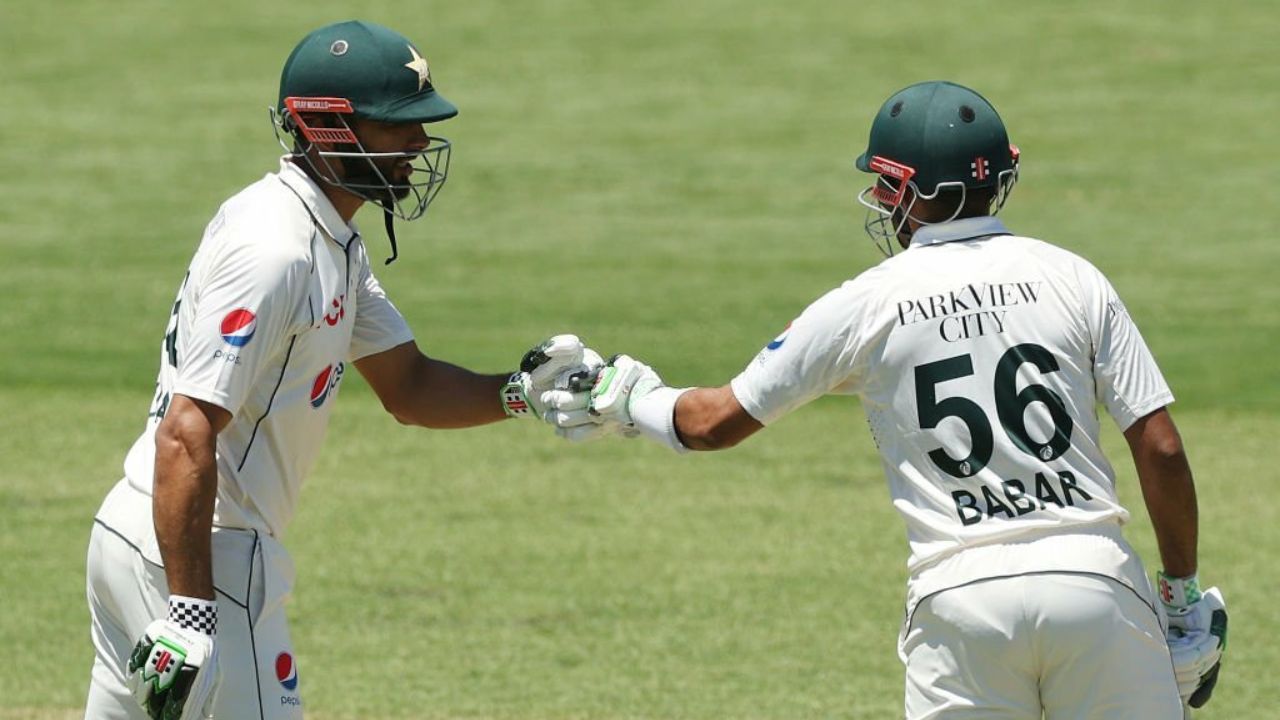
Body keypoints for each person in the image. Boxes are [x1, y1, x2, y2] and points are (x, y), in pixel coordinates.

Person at [565, 81, 1227, 718]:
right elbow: (1160, 445)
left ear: (900, 189)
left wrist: (626, 397)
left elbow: (711, 423)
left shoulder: (868, 301)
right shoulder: (1073, 277)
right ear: (999, 177)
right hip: (1094, 582)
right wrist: (1181, 597)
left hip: (960, 599)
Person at [84, 20, 599, 719]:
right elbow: (187, 429)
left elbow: (410, 387)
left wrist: (519, 394)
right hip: (201, 552)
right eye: (399, 127)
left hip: (149, 534)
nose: (419, 145)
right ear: (328, 130)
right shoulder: (277, 251)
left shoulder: (331, 241)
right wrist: (191, 612)